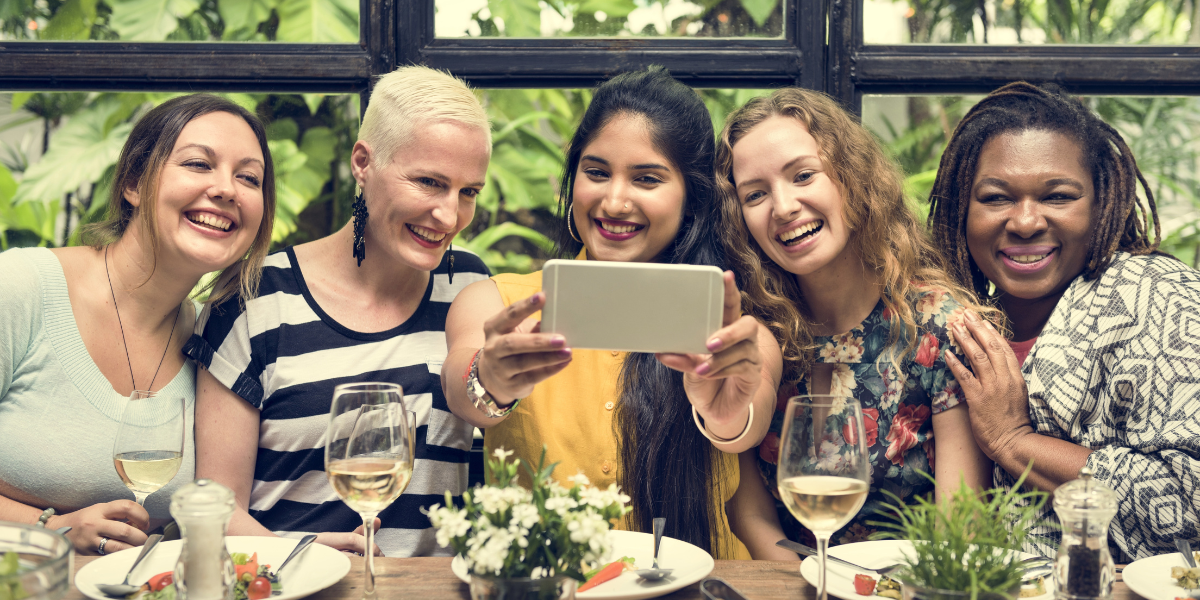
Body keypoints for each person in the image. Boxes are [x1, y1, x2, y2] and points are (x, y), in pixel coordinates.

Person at [441, 66, 782, 560]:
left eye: (647, 178)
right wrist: (489, 380)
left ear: (691, 200)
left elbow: (749, 419)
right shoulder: (497, 302)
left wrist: (723, 414)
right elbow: (461, 390)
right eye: (596, 172)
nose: (614, 200)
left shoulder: (733, 333)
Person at [187, 66, 491, 557]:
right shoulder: (255, 297)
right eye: (429, 182)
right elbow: (215, 508)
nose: (450, 215)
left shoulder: (466, 285)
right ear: (363, 162)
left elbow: (479, 395)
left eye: (469, 192)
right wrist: (300, 556)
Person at [927, 81, 1200, 560]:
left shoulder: (1156, 295)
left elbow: (1188, 503)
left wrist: (1014, 441)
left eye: (1057, 197)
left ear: (1101, 205)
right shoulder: (959, 326)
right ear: (960, 211)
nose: (1026, 222)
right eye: (995, 198)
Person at [714, 88, 993, 554]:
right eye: (755, 194)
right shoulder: (754, 332)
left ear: (853, 177)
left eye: (803, 175)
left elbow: (959, 529)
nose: (782, 207)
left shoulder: (937, 326)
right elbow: (750, 515)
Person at [0, 94, 274, 555]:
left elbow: (218, 519)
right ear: (133, 182)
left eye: (249, 178)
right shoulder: (21, 286)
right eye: (198, 164)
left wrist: (302, 549)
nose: (227, 189)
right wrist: (52, 528)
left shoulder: (217, 341)